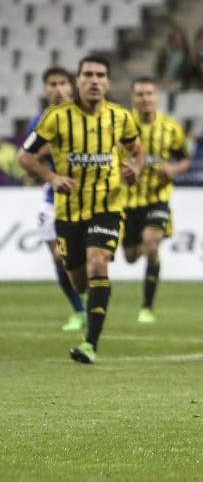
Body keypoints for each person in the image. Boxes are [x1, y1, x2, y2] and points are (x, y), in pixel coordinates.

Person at [18, 56, 145, 364]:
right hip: (68, 211)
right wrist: (52, 177)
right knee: (78, 279)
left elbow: (138, 151)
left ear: (108, 82)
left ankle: (90, 344)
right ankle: (84, 306)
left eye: (100, 75)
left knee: (98, 262)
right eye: (88, 74)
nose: (94, 80)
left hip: (107, 205)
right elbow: (25, 156)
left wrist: (136, 168)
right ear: (78, 80)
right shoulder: (56, 118)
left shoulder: (120, 117)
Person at [123, 78, 190, 323]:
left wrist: (172, 169)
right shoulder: (121, 126)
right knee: (130, 256)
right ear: (133, 98)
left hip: (158, 197)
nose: (145, 99)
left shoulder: (170, 127)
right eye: (140, 94)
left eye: (149, 94)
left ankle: (147, 308)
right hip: (127, 200)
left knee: (151, 244)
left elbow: (184, 159)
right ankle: (144, 247)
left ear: (156, 97)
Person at [25, 67, 86, 331]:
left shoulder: (86, 115)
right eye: (52, 84)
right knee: (59, 257)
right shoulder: (38, 123)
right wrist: (45, 171)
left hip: (89, 199)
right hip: (54, 198)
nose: (58, 89)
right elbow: (29, 163)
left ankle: (91, 303)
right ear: (45, 89)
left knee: (87, 258)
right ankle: (79, 311)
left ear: (71, 86)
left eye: (63, 83)